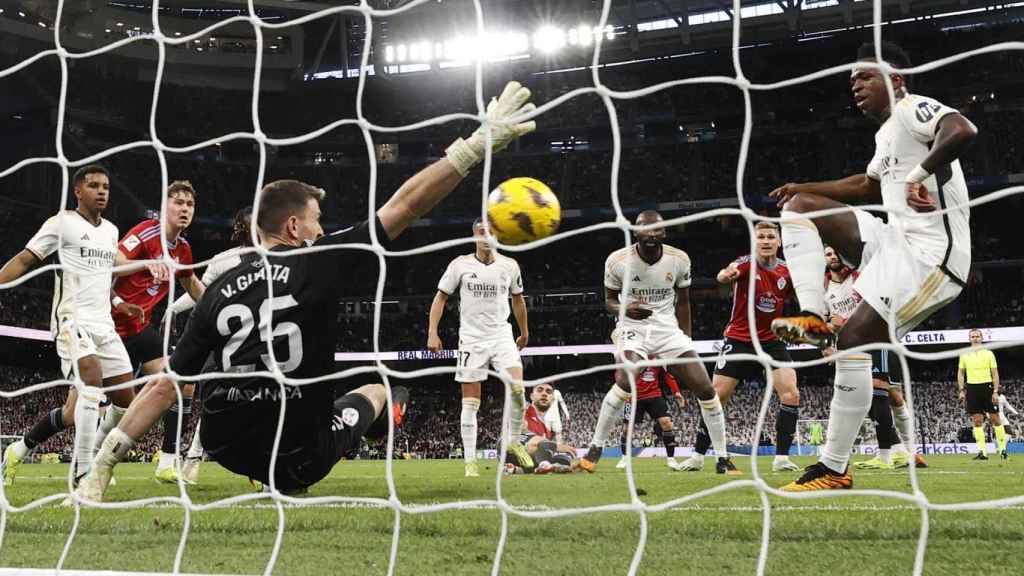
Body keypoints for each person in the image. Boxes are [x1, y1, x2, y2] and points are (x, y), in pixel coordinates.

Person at [76, 80, 537, 500]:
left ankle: (179, 463)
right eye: (317, 220)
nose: (323, 228)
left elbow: (163, 387)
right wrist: (476, 146)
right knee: (376, 391)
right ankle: (366, 434)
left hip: (227, 443)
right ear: (294, 227)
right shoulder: (321, 261)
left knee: (197, 380)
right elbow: (407, 203)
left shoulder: (217, 287)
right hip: (298, 452)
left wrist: (104, 463)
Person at [769, 42, 976, 491]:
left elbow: (961, 129)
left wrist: (919, 177)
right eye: (852, 83)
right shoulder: (886, 135)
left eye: (864, 78)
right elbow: (866, 185)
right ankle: (812, 315)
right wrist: (801, 185)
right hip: (895, 241)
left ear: (895, 80)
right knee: (801, 208)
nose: (855, 88)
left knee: (855, 340)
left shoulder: (912, 108)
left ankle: (833, 467)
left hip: (932, 256)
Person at [1, 165, 159, 486]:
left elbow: (107, 271)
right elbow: (24, 259)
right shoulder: (62, 224)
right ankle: (83, 470)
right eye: (94, 186)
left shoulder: (111, 231)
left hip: (104, 325)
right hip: (72, 321)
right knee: (90, 378)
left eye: (106, 187)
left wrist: (120, 303)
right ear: (78, 191)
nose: (102, 192)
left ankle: (28, 449)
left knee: (125, 402)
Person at [579, 210, 738, 475]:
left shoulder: (679, 259)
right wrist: (624, 309)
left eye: (657, 230)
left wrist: (686, 339)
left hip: (668, 331)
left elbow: (684, 301)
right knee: (627, 377)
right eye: (645, 229)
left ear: (665, 232)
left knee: (706, 389)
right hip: (632, 328)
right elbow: (608, 300)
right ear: (635, 231)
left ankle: (723, 458)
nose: (651, 234)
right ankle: (595, 447)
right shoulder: (617, 261)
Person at [677, 222, 800, 473]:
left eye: (770, 237)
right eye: (760, 237)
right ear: (754, 242)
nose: (765, 241)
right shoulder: (745, 264)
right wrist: (724, 276)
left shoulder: (787, 272)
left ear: (779, 242)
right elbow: (724, 274)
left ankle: (782, 459)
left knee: (791, 395)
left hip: (771, 341)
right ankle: (698, 456)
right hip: (740, 339)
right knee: (716, 396)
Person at [110, 181, 205, 484]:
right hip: (109, 324)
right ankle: (87, 460)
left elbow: (192, 285)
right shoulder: (147, 231)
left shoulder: (184, 249)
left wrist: (218, 305)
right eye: (178, 203)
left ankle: (167, 461)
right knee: (100, 407)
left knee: (181, 383)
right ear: (165, 207)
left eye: (189, 205)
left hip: (140, 329)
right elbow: (115, 260)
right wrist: (148, 262)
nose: (184, 209)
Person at [427, 219, 531, 477]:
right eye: (482, 232)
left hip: (502, 335)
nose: (487, 236)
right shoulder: (459, 265)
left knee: (518, 390)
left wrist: (524, 332)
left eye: (493, 232)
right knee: (471, 403)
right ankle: (470, 463)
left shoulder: (510, 265)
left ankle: (514, 441)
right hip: (472, 340)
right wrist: (432, 332)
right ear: (474, 235)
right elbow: (440, 298)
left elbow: (518, 301)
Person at [166, 206, 253, 484]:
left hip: (267, 342)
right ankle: (192, 457)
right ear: (241, 227)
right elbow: (199, 293)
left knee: (266, 401)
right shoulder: (223, 260)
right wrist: (172, 310)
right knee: (219, 402)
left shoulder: (282, 255)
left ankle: (261, 463)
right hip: (230, 345)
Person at [821, 246, 927, 470]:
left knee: (885, 391)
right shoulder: (824, 285)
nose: (833, 257)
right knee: (883, 394)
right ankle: (900, 452)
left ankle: (894, 454)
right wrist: (828, 341)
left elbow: (869, 307)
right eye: (828, 254)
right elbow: (829, 319)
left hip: (877, 337)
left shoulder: (860, 277)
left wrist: (842, 321)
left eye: (836, 252)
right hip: (851, 345)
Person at [613, 365, 685, 469]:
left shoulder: (658, 357)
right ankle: (624, 458)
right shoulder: (633, 356)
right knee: (627, 429)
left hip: (654, 395)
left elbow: (667, 376)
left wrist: (677, 392)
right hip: (633, 397)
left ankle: (671, 459)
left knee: (667, 423)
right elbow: (619, 373)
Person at [957, 329, 1007, 460]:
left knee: (995, 419)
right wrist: (962, 390)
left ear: (981, 338)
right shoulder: (964, 354)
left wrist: (995, 391)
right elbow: (961, 373)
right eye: (973, 336)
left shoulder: (989, 353)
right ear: (969, 339)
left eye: (977, 336)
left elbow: (995, 373)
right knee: (977, 421)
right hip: (972, 388)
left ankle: (1002, 450)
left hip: (987, 387)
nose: (975, 338)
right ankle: (982, 452)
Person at [512, 383, 577, 474]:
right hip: (515, 453)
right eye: (540, 390)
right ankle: (545, 465)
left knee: (568, 454)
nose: (544, 394)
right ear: (531, 396)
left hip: (532, 461)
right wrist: (555, 446)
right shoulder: (524, 414)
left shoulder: (546, 429)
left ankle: (525, 469)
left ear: (552, 399)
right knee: (541, 444)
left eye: (548, 392)